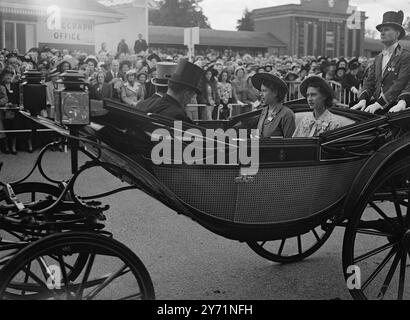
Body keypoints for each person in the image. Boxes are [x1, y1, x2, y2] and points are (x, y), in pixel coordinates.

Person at [352, 10, 410, 114]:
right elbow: (369, 82)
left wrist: (379, 103)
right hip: (378, 104)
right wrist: (363, 99)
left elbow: (399, 84)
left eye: (387, 30)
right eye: (381, 30)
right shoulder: (378, 58)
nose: (382, 33)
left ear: (397, 33)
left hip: (395, 105)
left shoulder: (405, 56)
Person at [146, 59, 204, 123]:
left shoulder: (142, 104)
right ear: (187, 94)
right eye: (191, 95)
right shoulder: (178, 115)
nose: (189, 101)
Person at [251, 73, 296, 138]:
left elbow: (289, 143)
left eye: (264, 91)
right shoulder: (264, 110)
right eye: (261, 91)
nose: (261, 94)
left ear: (275, 92)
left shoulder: (287, 114)